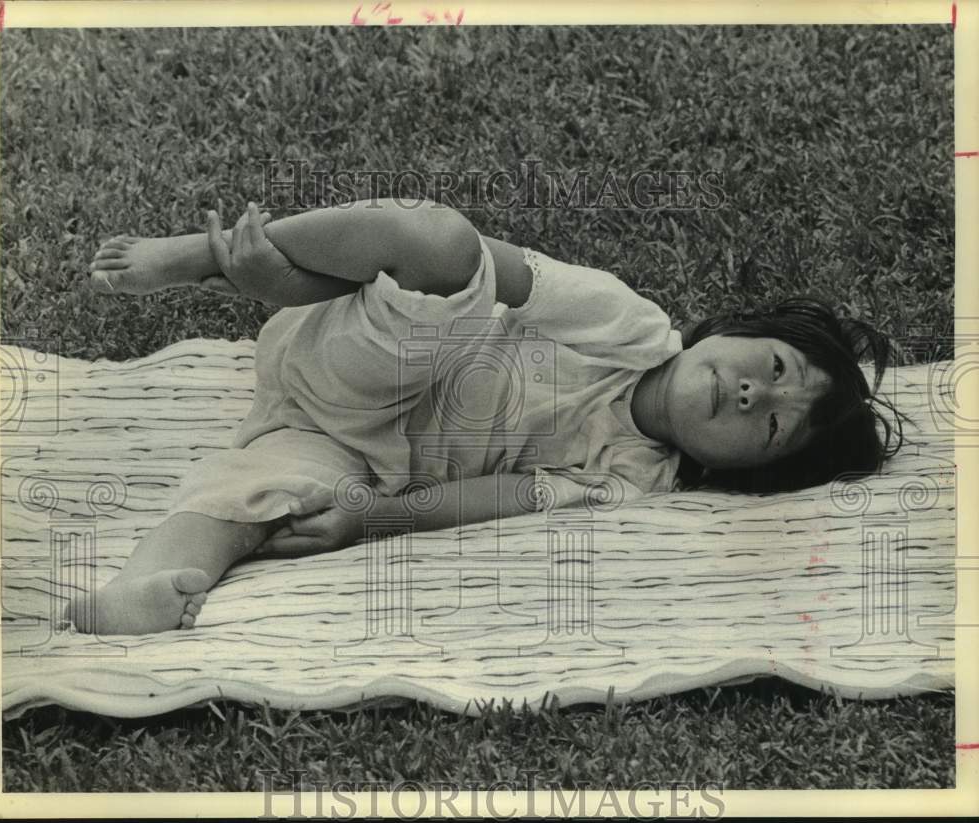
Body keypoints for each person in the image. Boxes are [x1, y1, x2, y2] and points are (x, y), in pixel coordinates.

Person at [69, 198, 903, 635]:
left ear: (741, 472)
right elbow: (450, 270)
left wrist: (368, 518)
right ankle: (209, 255)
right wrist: (275, 284)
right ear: (732, 331)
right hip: (365, 349)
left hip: (355, 451)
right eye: (777, 367)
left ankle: (131, 592)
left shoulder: (635, 480)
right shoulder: (627, 321)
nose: (758, 395)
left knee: (258, 497)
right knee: (443, 241)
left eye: (773, 427)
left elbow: (500, 497)